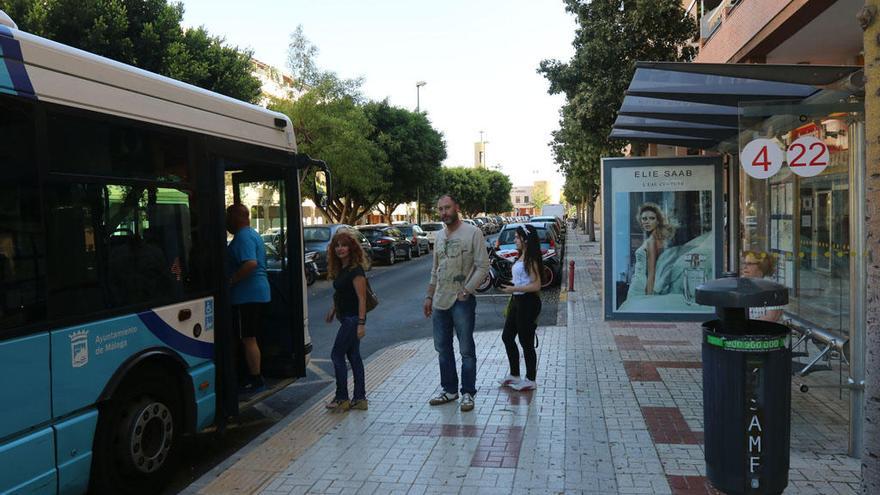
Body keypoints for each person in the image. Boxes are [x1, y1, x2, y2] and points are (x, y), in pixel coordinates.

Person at [423, 194, 489, 412]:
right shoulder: (439, 236)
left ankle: (467, 393)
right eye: (440, 209)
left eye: (447, 208)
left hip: (462, 302)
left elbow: (483, 266)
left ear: (456, 208)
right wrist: (429, 296)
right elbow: (435, 270)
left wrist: (467, 290)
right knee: (442, 348)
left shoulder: (473, 233)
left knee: (466, 349)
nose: (444, 212)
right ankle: (449, 390)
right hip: (440, 301)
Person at [226, 204, 271, 397]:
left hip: (247, 295)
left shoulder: (243, 237)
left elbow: (251, 263)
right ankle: (251, 376)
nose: (226, 221)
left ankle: (255, 379)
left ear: (237, 218)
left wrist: (231, 280)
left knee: (248, 338)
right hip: (256, 293)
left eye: (228, 217)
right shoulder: (252, 234)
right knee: (249, 338)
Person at [324, 229, 369, 411]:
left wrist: (361, 323)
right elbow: (342, 292)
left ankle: (342, 397)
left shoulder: (356, 270)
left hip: (352, 320)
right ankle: (359, 399)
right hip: (346, 318)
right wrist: (334, 310)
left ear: (351, 248)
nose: (340, 249)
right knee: (354, 357)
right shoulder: (342, 269)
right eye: (337, 246)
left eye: (344, 245)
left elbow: (362, 299)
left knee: (337, 355)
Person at [498, 225, 543, 391]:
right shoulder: (521, 256)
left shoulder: (531, 259)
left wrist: (514, 289)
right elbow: (521, 280)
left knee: (526, 342)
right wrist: (510, 286)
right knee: (507, 336)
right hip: (517, 301)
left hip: (528, 303)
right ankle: (515, 374)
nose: (514, 240)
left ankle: (530, 379)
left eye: (517, 237)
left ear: (525, 239)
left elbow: (536, 285)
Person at [627, 203, 675, 298]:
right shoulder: (655, 239)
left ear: (658, 221)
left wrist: (649, 297)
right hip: (639, 282)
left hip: (640, 285)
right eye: (644, 219)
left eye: (652, 218)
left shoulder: (651, 241)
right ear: (640, 221)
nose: (647, 222)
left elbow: (651, 272)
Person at [741, 250, 783, 322]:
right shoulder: (743, 282)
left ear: (762, 266)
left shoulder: (772, 288)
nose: (745, 267)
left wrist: (746, 327)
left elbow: (771, 318)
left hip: (765, 330)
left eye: (749, 264)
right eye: (744, 263)